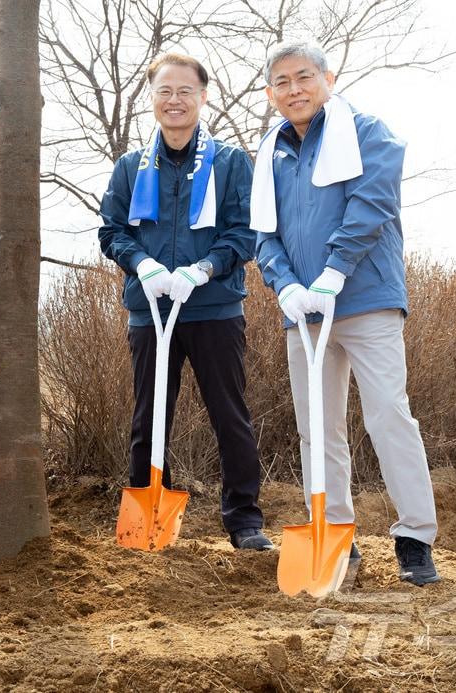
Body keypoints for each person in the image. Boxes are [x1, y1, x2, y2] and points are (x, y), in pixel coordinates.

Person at [251, 40, 440, 586]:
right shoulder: (271, 151)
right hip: (303, 313)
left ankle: (414, 538)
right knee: (318, 429)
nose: (294, 90)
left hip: (364, 300)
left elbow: (372, 203)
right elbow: (263, 232)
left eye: (304, 77)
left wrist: (335, 270)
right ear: (270, 94)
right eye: (282, 82)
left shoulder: (366, 132)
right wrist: (285, 286)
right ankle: (337, 535)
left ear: (328, 79)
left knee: (388, 416)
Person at [98, 51, 272, 551]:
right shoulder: (132, 167)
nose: (175, 101)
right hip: (150, 309)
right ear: (151, 98)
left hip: (214, 308)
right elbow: (112, 231)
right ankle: (150, 517)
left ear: (203, 95)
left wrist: (205, 268)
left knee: (230, 415)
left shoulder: (232, 162)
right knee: (148, 417)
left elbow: (246, 232)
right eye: (164, 92)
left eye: (185, 92)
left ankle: (244, 521)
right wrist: (143, 265)